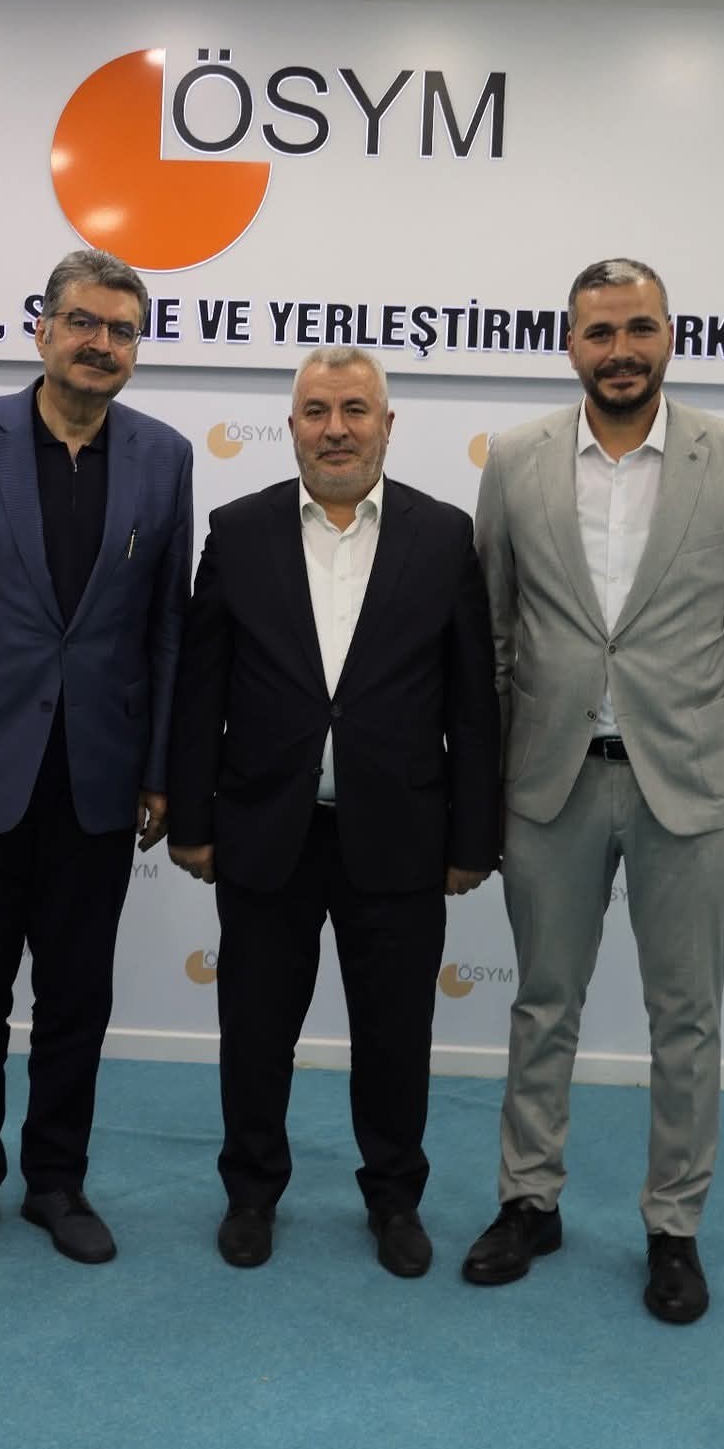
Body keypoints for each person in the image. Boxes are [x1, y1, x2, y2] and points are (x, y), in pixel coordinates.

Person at [465, 258, 724, 1323]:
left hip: (691, 789)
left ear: (669, 337)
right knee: (541, 1003)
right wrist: (481, 786)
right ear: (570, 345)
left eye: (638, 329)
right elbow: (492, 636)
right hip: (548, 783)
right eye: (599, 332)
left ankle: (673, 1226)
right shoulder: (514, 460)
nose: (620, 351)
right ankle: (529, 1200)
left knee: (685, 1018)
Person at [0, 249, 193, 1269]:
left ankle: (57, 1181)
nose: (101, 344)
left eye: (121, 330)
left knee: (76, 998)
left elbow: (167, 632)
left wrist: (161, 771)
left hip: (98, 778)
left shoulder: (165, 457)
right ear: (43, 329)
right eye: (83, 323)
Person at [168, 347, 499, 1278]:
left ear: (387, 426)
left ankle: (394, 1200)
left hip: (401, 836)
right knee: (255, 1031)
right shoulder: (238, 531)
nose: (336, 429)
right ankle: (250, 1194)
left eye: (355, 410)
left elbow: (473, 702)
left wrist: (473, 837)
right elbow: (200, 689)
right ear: (292, 427)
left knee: (395, 1037)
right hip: (265, 830)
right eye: (317, 411)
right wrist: (192, 820)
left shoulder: (444, 535)